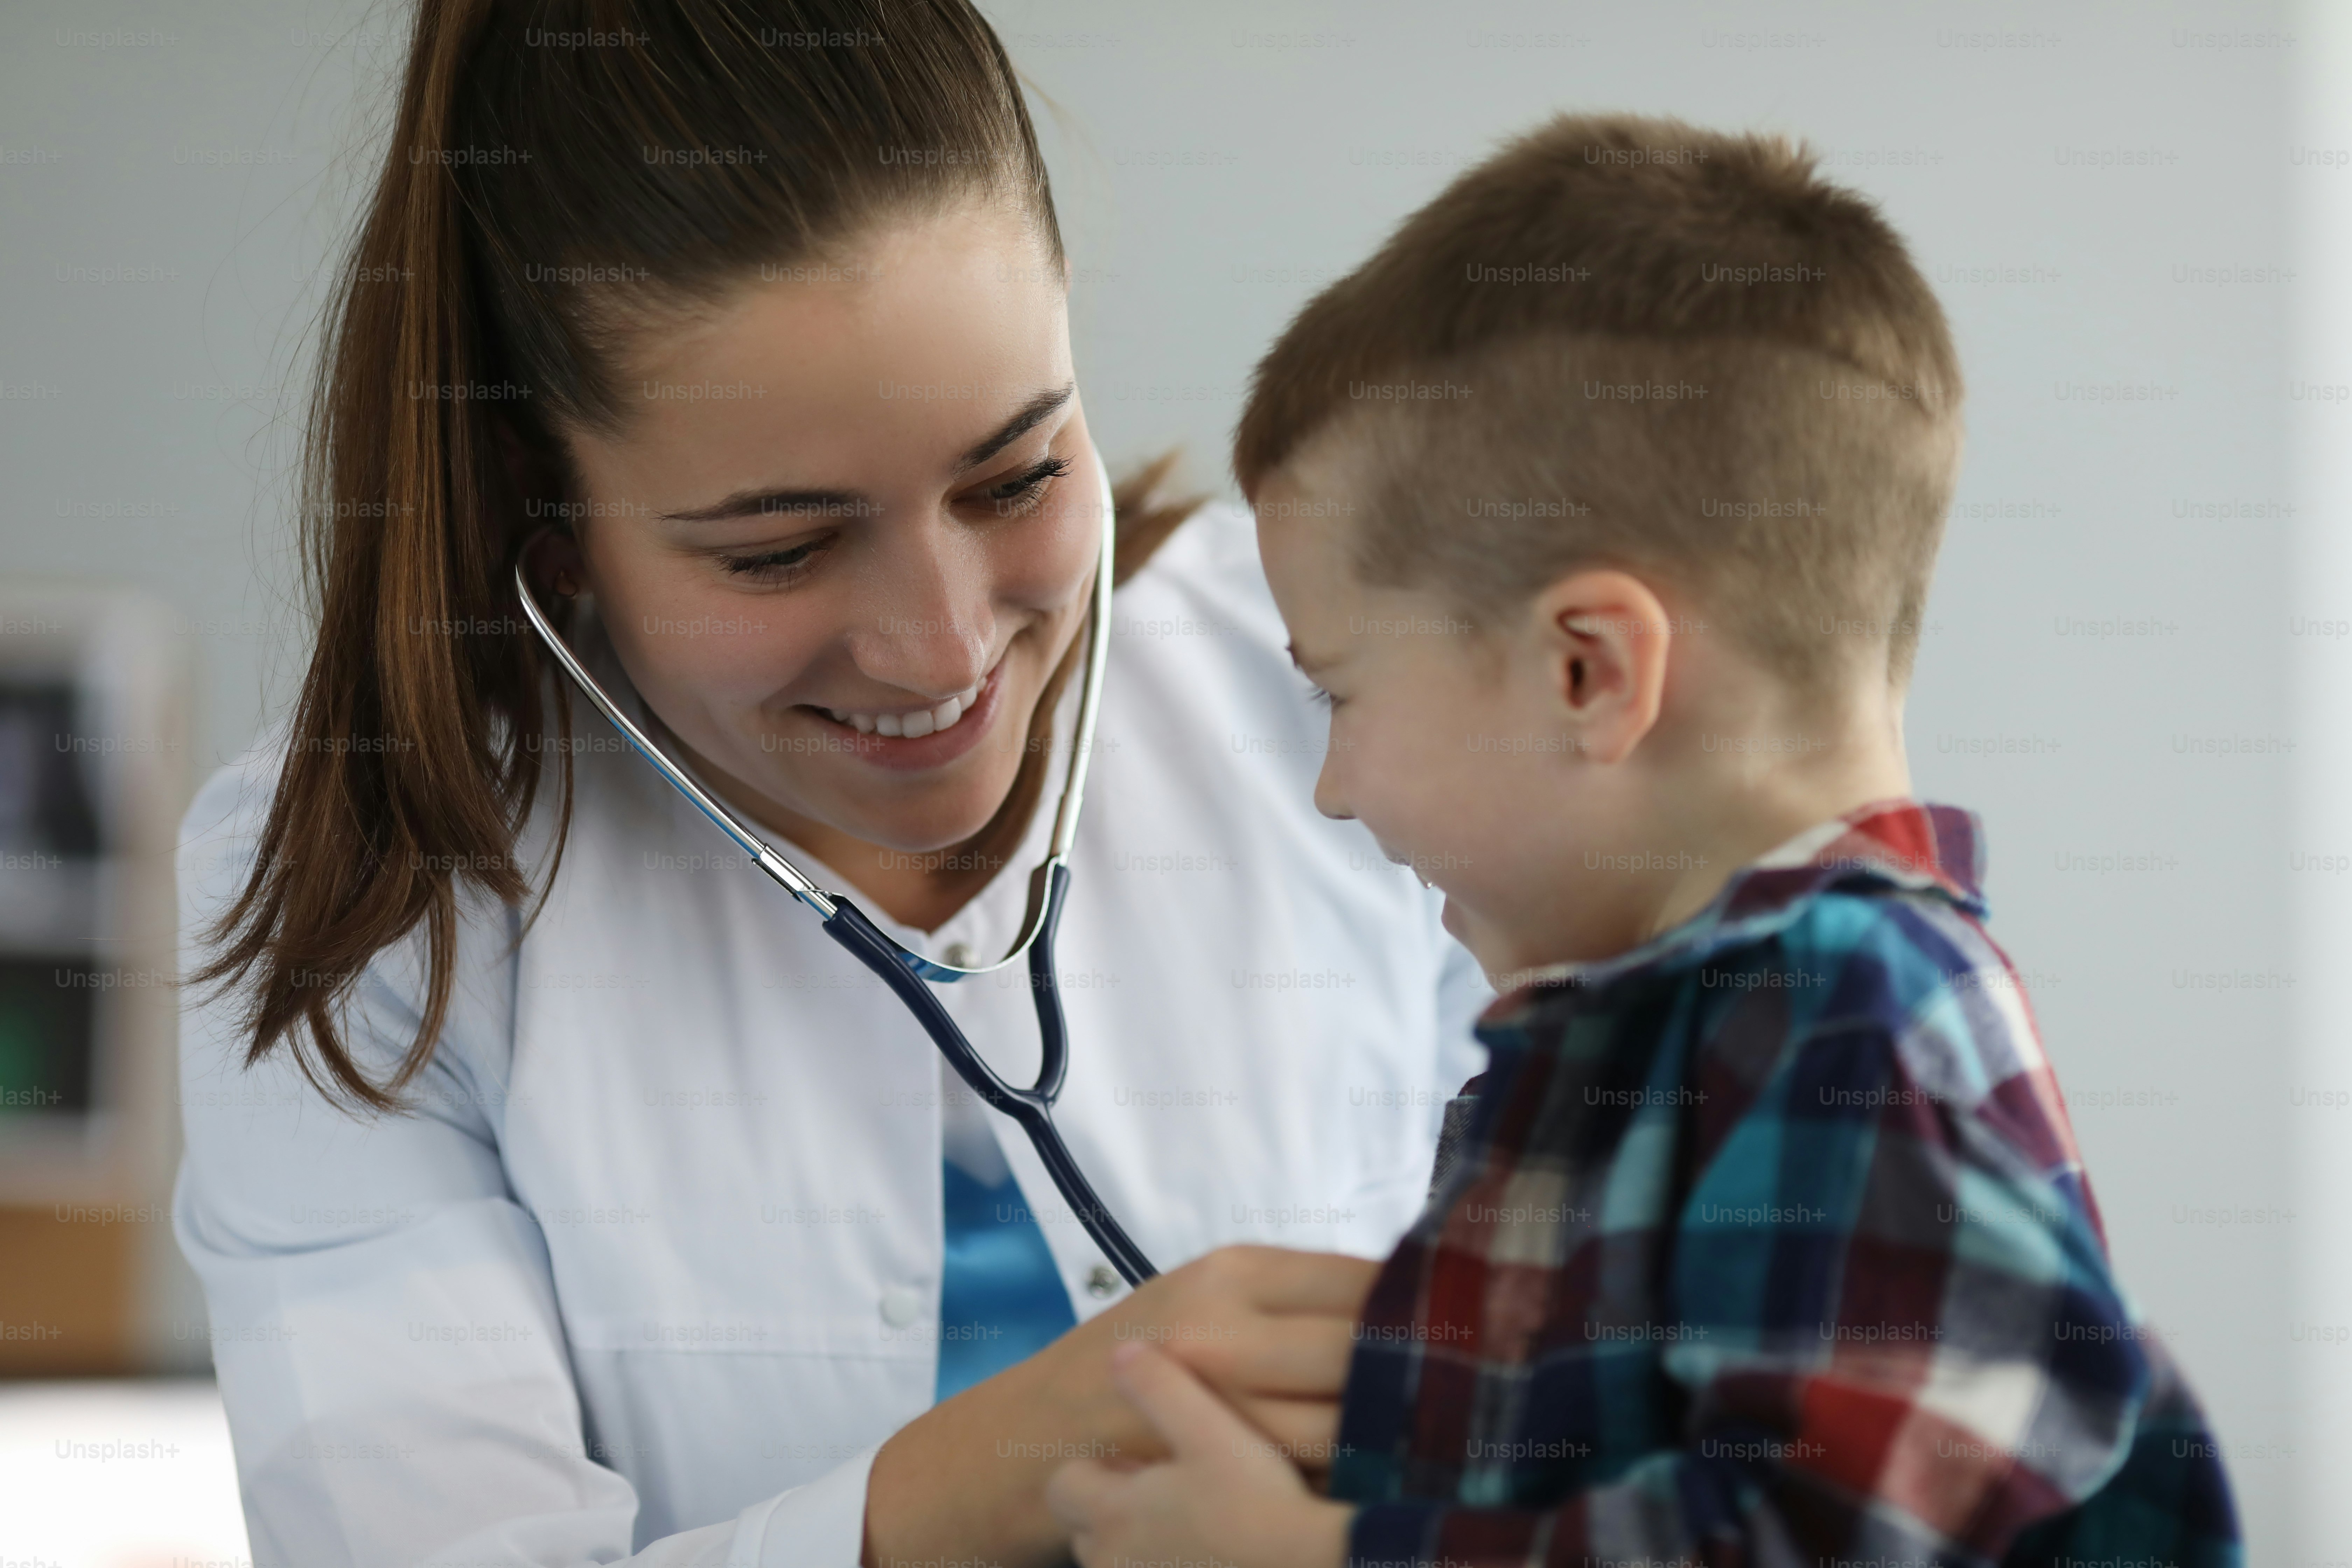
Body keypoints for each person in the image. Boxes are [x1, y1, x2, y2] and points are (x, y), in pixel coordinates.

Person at [171, 5, 1486, 1566]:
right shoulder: (369, 888)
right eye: (781, 549)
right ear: (553, 509)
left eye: (1015, 476)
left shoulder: (1349, 683)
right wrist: (1006, 1463)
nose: (941, 647)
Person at [1044, 113, 2243, 1566]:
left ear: (1587, 673)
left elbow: (1826, 1543)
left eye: (1340, 693)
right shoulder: (1690, 1028)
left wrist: (1313, 1558)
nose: (1335, 789)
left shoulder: (1847, 1010)